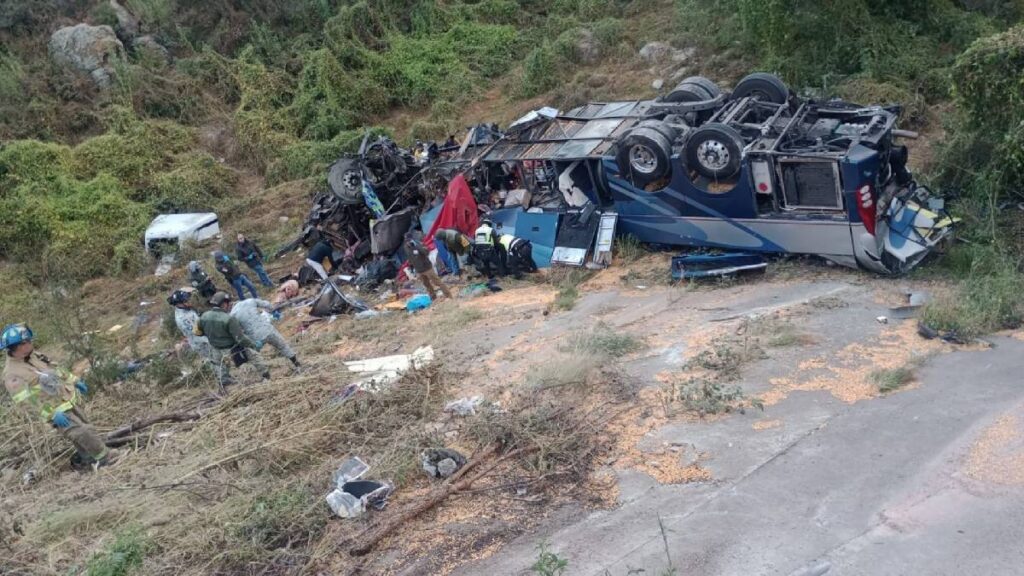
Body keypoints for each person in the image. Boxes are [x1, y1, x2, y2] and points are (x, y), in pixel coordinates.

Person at [1, 323, 120, 468]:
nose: (31, 343)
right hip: (54, 411)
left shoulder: (34, 356)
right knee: (81, 432)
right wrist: (51, 414)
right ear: (17, 346)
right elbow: (26, 402)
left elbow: (56, 369)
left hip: (67, 399)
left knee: (84, 428)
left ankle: (87, 459)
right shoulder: (12, 374)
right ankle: (105, 457)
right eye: (27, 342)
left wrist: (74, 381)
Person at [195, 292, 269, 391]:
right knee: (254, 356)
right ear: (224, 304)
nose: (230, 305)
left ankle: (225, 386)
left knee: (219, 366)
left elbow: (197, 332)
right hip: (231, 348)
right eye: (229, 303)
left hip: (215, 348)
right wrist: (254, 345)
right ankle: (266, 375)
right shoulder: (229, 319)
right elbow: (240, 338)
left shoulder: (203, 316)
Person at [231, 298, 300, 370]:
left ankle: (265, 375)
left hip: (255, 338)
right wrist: (273, 311)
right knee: (283, 346)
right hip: (268, 330)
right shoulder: (250, 301)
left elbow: (238, 330)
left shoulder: (233, 314)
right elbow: (267, 304)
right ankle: (297, 364)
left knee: (255, 357)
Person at [167, 288, 213, 360]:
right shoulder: (183, 318)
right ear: (179, 303)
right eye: (185, 301)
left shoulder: (185, 309)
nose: (188, 301)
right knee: (213, 360)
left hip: (203, 338)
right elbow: (197, 333)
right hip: (202, 343)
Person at [404, 234, 453, 300]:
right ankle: (433, 297)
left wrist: (417, 246)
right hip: (419, 270)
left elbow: (426, 252)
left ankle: (448, 296)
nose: (408, 243)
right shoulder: (406, 248)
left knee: (438, 282)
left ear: (412, 240)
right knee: (427, 285)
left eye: (409, 241)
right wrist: (412, 268)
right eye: (406, 241)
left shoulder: (419, 244)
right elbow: (410, 258)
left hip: (427, 268)